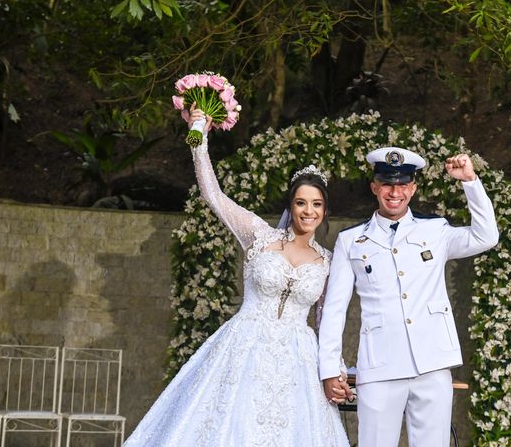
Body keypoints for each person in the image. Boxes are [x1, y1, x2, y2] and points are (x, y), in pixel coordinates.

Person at [123, 108, 350, 447]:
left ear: (325, 210)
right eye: (301, 202)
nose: (308, 211)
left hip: (298, 361)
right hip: (245, 347)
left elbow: (326, 321)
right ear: (291, 205)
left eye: (316, 204)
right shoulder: (260, 236)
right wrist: (199, 139)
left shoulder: (329, 262)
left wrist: (337, 370)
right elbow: (214, 195)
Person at [318, 147, 499, 447]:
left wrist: (470, 181)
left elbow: (486, 236)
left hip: (432, 362)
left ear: (413, 189)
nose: (395, 192)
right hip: (380, 368)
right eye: (387, 184)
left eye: (403, 184)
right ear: (374, 187)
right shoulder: (351, 241)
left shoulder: (435, 230)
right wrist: (328, 369)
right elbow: (335, 309)